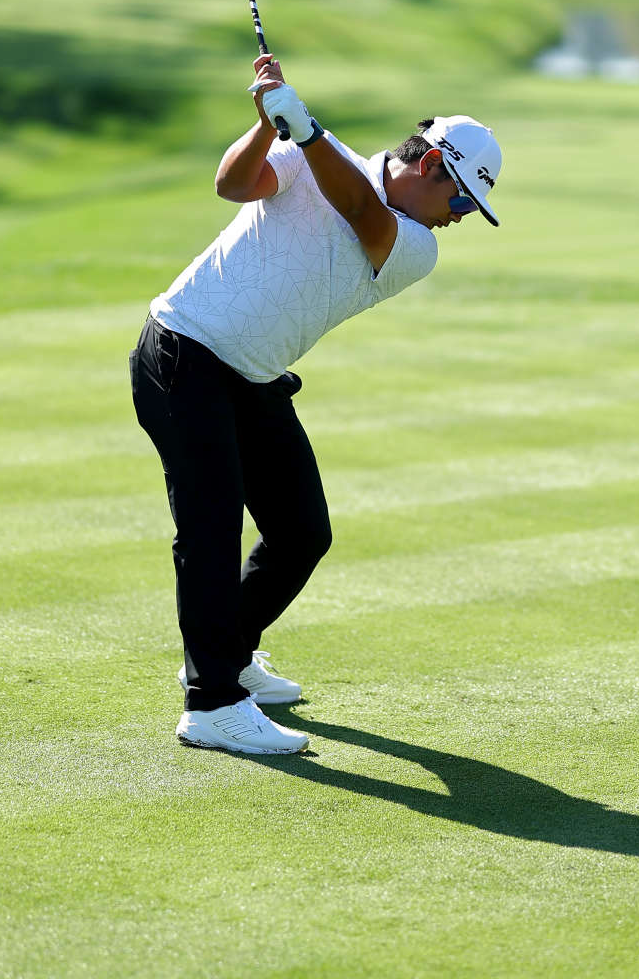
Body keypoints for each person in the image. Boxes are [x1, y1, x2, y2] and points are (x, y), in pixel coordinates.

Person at [130, 53, 502, 755]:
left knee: (302, 531)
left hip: (252, 374)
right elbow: (231, 183)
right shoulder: (307, 156)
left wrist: (303, 128)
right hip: (184, 351)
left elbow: (360, 207)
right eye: (461, 202)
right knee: (211, 525)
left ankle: (226, 652)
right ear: (431, 169)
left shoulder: (414, 246)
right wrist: (266, 126)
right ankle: (211, 701)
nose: (458, 220)